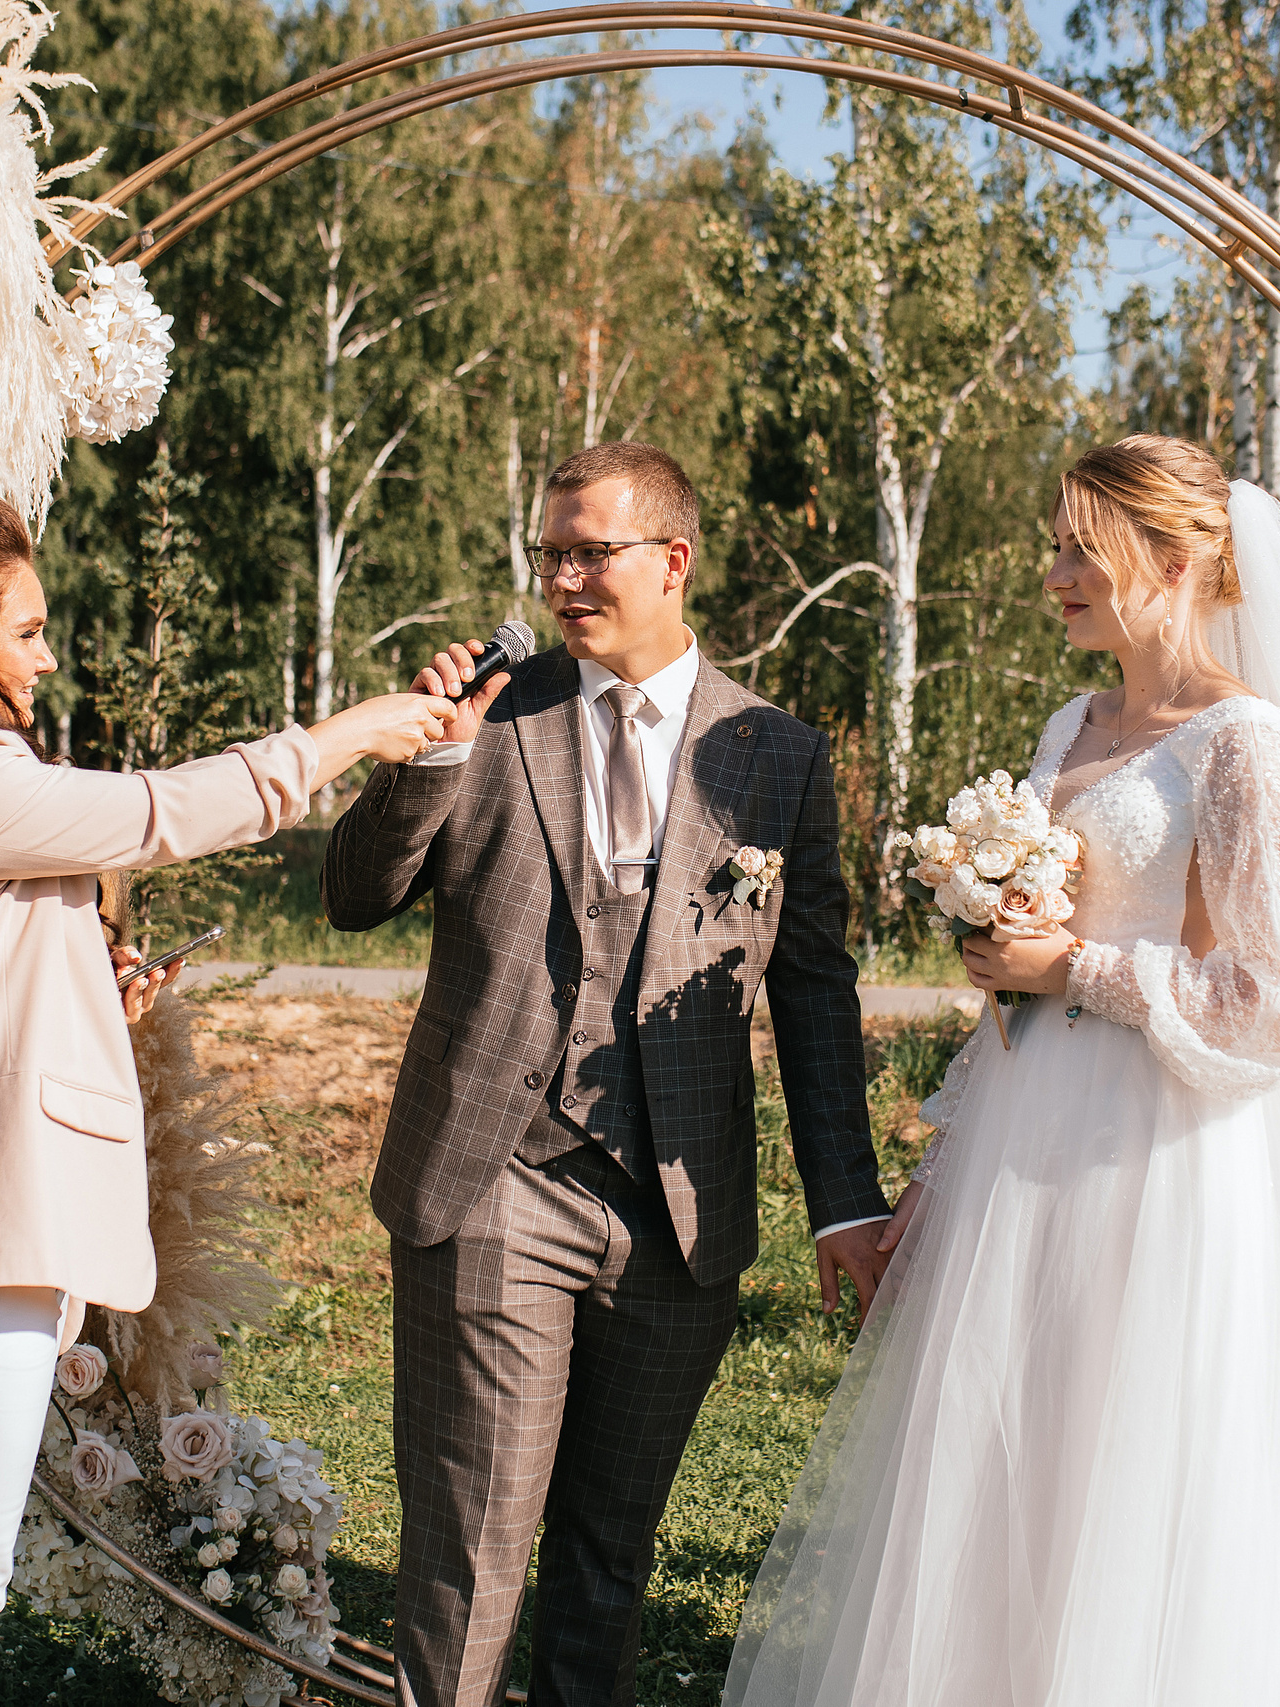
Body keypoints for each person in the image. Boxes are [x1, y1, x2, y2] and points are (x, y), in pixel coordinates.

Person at [723, 437, 1280, 1705]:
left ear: (1174, 561)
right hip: (1026, 1145)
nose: (1055, 573)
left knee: (1137, 1476)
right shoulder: (1069, 723)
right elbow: (1029, 969)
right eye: (1056, 546)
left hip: (1165, 1162)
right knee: (1009, 1464)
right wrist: (943, 1164)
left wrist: (1076, 970)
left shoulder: (1246, 749)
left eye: (1082, 547)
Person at [0, 494, 452, 1707]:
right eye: (23, 632)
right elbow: (155, 813)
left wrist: (94, 995)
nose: (42, 658)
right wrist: (355, 732)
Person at [322, 441, 895, 1707]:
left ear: (673, 561)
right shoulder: (494, 709)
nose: (563, 576)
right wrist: (427, 758)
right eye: (551, 554)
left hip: (674, 1215)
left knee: (606, 1560)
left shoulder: (775, 753)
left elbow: (811, 992)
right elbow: (352, 896)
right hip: (492, 1180)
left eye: (591, 551)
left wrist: (845, 1200)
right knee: (467, 1559)